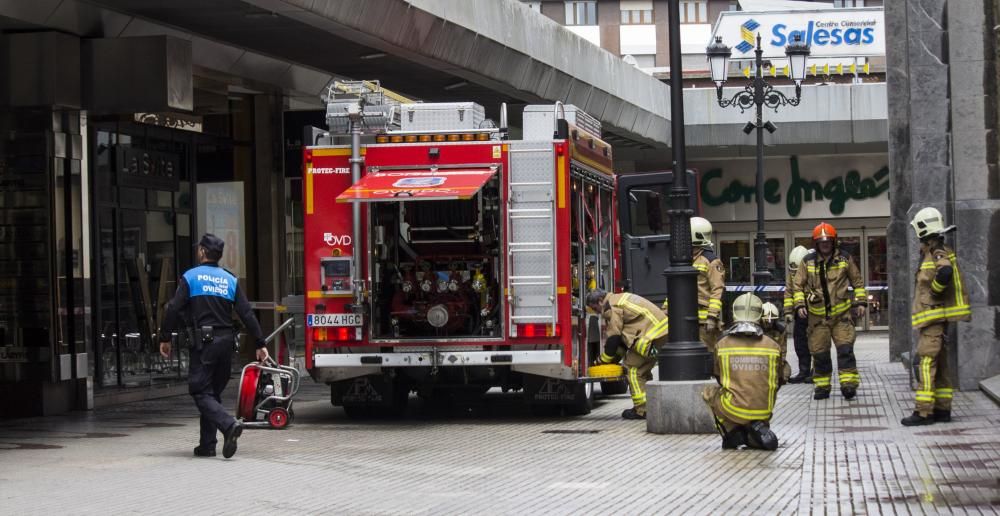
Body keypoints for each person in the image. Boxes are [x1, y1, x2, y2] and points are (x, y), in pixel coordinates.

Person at [158, 234, 269, 458]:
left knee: (200, 391)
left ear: (202, 252)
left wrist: (165, 337)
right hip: (227, 343)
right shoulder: (230, 279)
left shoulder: (191, 278)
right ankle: (207, 445)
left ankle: (229, 425)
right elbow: (246, 313)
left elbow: (173, 309)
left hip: (204, 345)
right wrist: (260, 342)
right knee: (212, 393)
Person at [901, 207, 971, 426]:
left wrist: (934, 291)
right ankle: (942, 410)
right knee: (940, 367)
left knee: (926, 363)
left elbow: (946, 272)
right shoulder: (937, 250)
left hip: (933, 319)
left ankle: (923, 412)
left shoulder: (937, 252)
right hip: (936, 320)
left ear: (923, 230)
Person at [791, 223, 866, 401]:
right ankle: (822, 387)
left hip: (842, 317)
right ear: (816, 243)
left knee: (845, 351)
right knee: (820, 354)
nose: (825, 244)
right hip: (817, 319)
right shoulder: (807, 261)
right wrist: (800, 305)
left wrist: (861, 302)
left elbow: (857, 281)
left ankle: (848, 385)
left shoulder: (845, 259)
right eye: (821, 241)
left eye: (828, 241)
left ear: (834, 241)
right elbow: (797, 285)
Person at [702, 294, 784, 450]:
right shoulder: (773, 345)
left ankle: (732, 430)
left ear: (734, 314)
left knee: (709, 393)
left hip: (734, 407)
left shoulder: (722, 344)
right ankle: (753, 432)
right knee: (753, 433)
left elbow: (719, 377)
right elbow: (779, 379)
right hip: (764, 408)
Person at [587, 289, 668, 420]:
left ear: (600, 301)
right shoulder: (618, 298)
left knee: (633, 370)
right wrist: (614, 359)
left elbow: (614, 338)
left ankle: (642, 410)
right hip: (661, 335)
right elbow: (623, 342)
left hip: (653, 337)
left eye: (595, 308)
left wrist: (604, 360)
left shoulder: (611, 306)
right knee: (643, 371)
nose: (596, 312)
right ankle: (651, 405)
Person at [675, 217, 725, 373]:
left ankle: (710, 380)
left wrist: (712, 317)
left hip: (704, 319)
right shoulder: (686, 259)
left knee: (708, 354)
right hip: (687, 317)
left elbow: (718, 289)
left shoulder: (711, 261)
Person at [784, 245, 813, 383]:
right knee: (800, 342)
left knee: (817, 342)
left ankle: (818, 372)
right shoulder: (792, 274)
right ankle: (804, 371)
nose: (795, 275)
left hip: (814, 311)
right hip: (800, 312)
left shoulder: (814, 272)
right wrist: (789, 312)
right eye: (792, 271)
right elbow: (789, 292)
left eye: (797, 271)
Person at [761, 302, 792, 383]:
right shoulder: (756, 330)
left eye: (772, 320)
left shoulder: (780, 330)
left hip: (774, 360)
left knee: (786, 371)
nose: (769, 322)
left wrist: (779, 365)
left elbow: (783, 350)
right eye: (766, 320)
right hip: (759, 360)